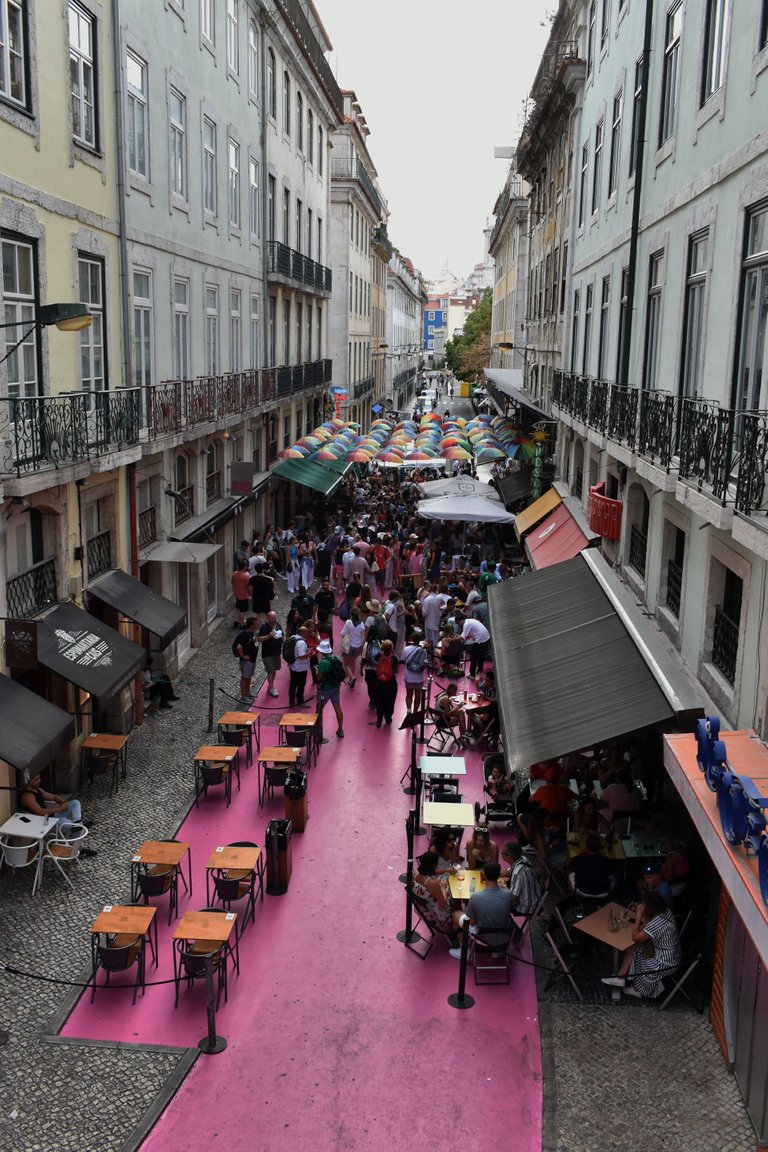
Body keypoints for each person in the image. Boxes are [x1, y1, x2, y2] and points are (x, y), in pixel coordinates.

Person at [602, 890, 681, 998]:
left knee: (636, 947)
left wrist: (639, 916)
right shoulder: (665, 911)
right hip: (672, 954)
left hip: (664, 962)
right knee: (635, 946)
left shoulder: (658, 922)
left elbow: (635, 937)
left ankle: (637, 989)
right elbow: (646, 927)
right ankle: (620, 977)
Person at [450, 861, 515, 959]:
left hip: (482, 936)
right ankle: (497, 951)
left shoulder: (476, 897)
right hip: (504, 937)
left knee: (455, 914)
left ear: (483, 874)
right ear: (498, 876)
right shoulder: (509, 894)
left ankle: (464, 951)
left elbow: (471, 922)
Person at [19, 774, 95, 854]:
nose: (40, 780)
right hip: (45, 824)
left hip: (53, 817)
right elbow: (40, 811)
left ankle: (78, 823)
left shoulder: (38, 790)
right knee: (75, 827)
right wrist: (59, 808)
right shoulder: (27, 796)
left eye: (39, 778)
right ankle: (80, 847)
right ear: (29, 781)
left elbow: (54, 797)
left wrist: (63, 803)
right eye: (37, 779)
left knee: (75, 803)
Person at [412, 850, 462, 941]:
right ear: (434, 866)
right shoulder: (433, 884)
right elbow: (443, 905)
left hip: (421, 909)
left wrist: (444, 871)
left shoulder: (415, 875)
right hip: (435, 914)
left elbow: (431, 872)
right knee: (455, 898)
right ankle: (456, 930)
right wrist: (443, 887)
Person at [501, 842, 542, 915]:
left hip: (526, 907)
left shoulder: (517, 873)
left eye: (502, 853)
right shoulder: (523, 859)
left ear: (509, 856)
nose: (501, 854)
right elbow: (508, 872)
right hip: (536, 899)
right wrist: (492, 874)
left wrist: (500, 891)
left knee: (495, 902)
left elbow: (513, 898)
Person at [570, 833, 616, 898]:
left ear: (586, 846)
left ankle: (575, 899)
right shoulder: (605, 861)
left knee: (570, 875)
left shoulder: (578, 860)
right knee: (614, 876)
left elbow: (573, 866)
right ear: (599, 848)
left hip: (582, 891)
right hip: (602, 893)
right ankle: (609, 900)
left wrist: (581, 854)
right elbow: (610, 872)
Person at [316, 638, 344, 738]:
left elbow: (318, 677)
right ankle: (340, 729)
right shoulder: (336, 658)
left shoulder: (323, 662)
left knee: (319, 709)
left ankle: (317, 730)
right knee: (337, 707)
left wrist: (317, 672)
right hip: (336, 687)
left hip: (326, 689)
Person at [257, 611, 283, 698]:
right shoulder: (264, 627)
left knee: (274, 669)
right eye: (271, 618)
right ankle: (271, 688)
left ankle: (270, 686)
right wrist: (269, 636)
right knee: (270, 670)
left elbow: (282, 636)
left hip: (277, 652)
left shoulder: (278, 625)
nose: (273, 620)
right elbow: (259, 639)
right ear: (268, 618)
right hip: (267, 653)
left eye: (274, 618)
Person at [373, 638, 399, 727]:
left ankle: (379, 720)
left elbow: (375, 662)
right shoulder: (394, 658)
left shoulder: (378, 655)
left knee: (379, 701)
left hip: (379, 682)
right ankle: (388, 718)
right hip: (391, 682)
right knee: (390, 701)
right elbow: (396, 668)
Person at [234, 616, 259, 701]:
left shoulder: (252, 633)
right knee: (245, 677)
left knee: (248, 676)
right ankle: (243, 696)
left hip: (252, 660)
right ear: (251, 625)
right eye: (256, 624)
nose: (258, 625)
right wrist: (243, 656)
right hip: (246, 661)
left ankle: (248, 693)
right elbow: (239, 646)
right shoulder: (245, 635)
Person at [458, 613, 490, 679]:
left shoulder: (466, 624)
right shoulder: (471, 620)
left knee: (474, 658)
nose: (459, 625)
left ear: (461, 620)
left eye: (458, 623)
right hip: (486, 639)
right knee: (481, 657)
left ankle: (472, 675)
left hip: (480, 640)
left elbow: (462, 637)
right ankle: (479, 672)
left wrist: (451, 639)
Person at [402, 631, 427, 712]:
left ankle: (409, 709)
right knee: (418, 696)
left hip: (408, 676)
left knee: (409, 695)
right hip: (419, 677)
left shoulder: (406, 649)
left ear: (412, 639)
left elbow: (403, 661)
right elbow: (425, 664)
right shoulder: (424, 651)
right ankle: (415, 711)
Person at [340, 607, 365, 688]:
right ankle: (351, 680)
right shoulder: (362, 624)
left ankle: (352, 677)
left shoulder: (348, 622)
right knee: (352, 663)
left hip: (348, 646)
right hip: (357, 647)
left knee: (345, 664)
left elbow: (343, 633)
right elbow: (362, 637)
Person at [286, 627, 310, 707]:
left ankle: (291, 701)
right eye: (307, 632)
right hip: (300, 667)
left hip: (292, 665)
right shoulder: (301, 643)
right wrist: (308, 653)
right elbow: (301, 655)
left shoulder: (293, 637)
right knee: (301, 684)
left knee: (293, 684)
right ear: (303, 633)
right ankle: (300, 701)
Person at [361, 624, 382, 709]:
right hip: (378, 669)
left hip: (369, 668)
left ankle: (372, 701)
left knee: (370, 686)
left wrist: (361, 668)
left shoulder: (367, 644)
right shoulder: (381, 644)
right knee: (377, 685)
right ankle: (377, 700)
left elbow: (363, 658)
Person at [422, 583, 443, 649]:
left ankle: (431, 654)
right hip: (436, 620)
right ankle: (435, 652)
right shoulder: (439, 598)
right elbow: (443, 603)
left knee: (429, 639)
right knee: (435, 638)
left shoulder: (427, 600)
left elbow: (424, 612)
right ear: (436, 589)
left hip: (429, 621)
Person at [231, 561, 251, 629]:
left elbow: (232, 582)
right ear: (245, 567)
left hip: (236, 594)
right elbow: (248, 586)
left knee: (238, 609)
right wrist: (250, 594)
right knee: (243, 611)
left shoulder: (234, 574)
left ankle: (235, 622)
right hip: (243, 595)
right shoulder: (245, 576)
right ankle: (242, 624)